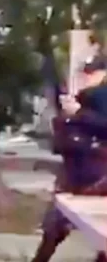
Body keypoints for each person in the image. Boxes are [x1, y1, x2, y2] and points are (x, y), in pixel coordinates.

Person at [32, 53, 107, 262]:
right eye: (86, 72)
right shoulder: (82, 97)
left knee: (98, 231)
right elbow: (63, 138)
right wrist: (66, 118)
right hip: (75, 171)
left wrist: (78, 114)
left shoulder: (99, 97)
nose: (86, 76)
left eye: (92, 72)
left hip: (98, 173)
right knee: (55, 227)